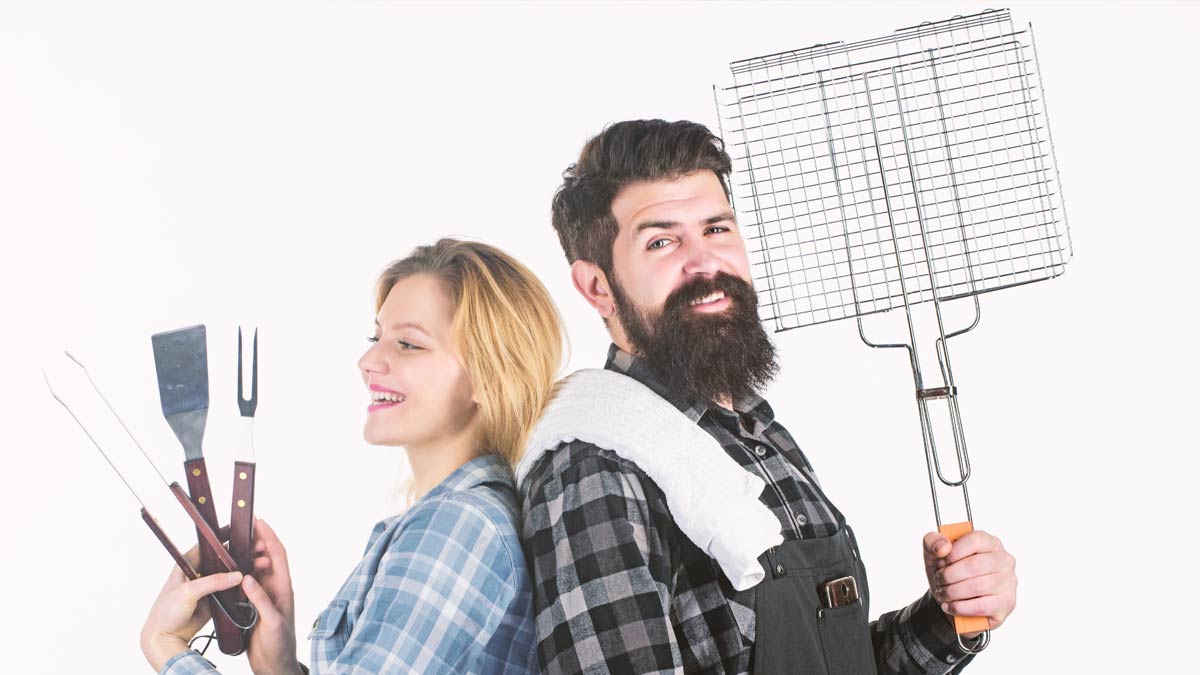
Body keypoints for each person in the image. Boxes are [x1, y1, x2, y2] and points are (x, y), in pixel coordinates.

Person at [519, 120, 1018, 675]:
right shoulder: (594, 470)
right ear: (597, 286)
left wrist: (950, 615)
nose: (704, 262)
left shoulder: (757, 432)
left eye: (716, 229)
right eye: (661, 241)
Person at [140, 238, 560, 675]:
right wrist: (280, 669)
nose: (368, 360)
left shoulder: (457, 527)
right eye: (375, 337)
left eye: (408, 344)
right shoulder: (448, 521)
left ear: (488, 377)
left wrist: (169, 650)